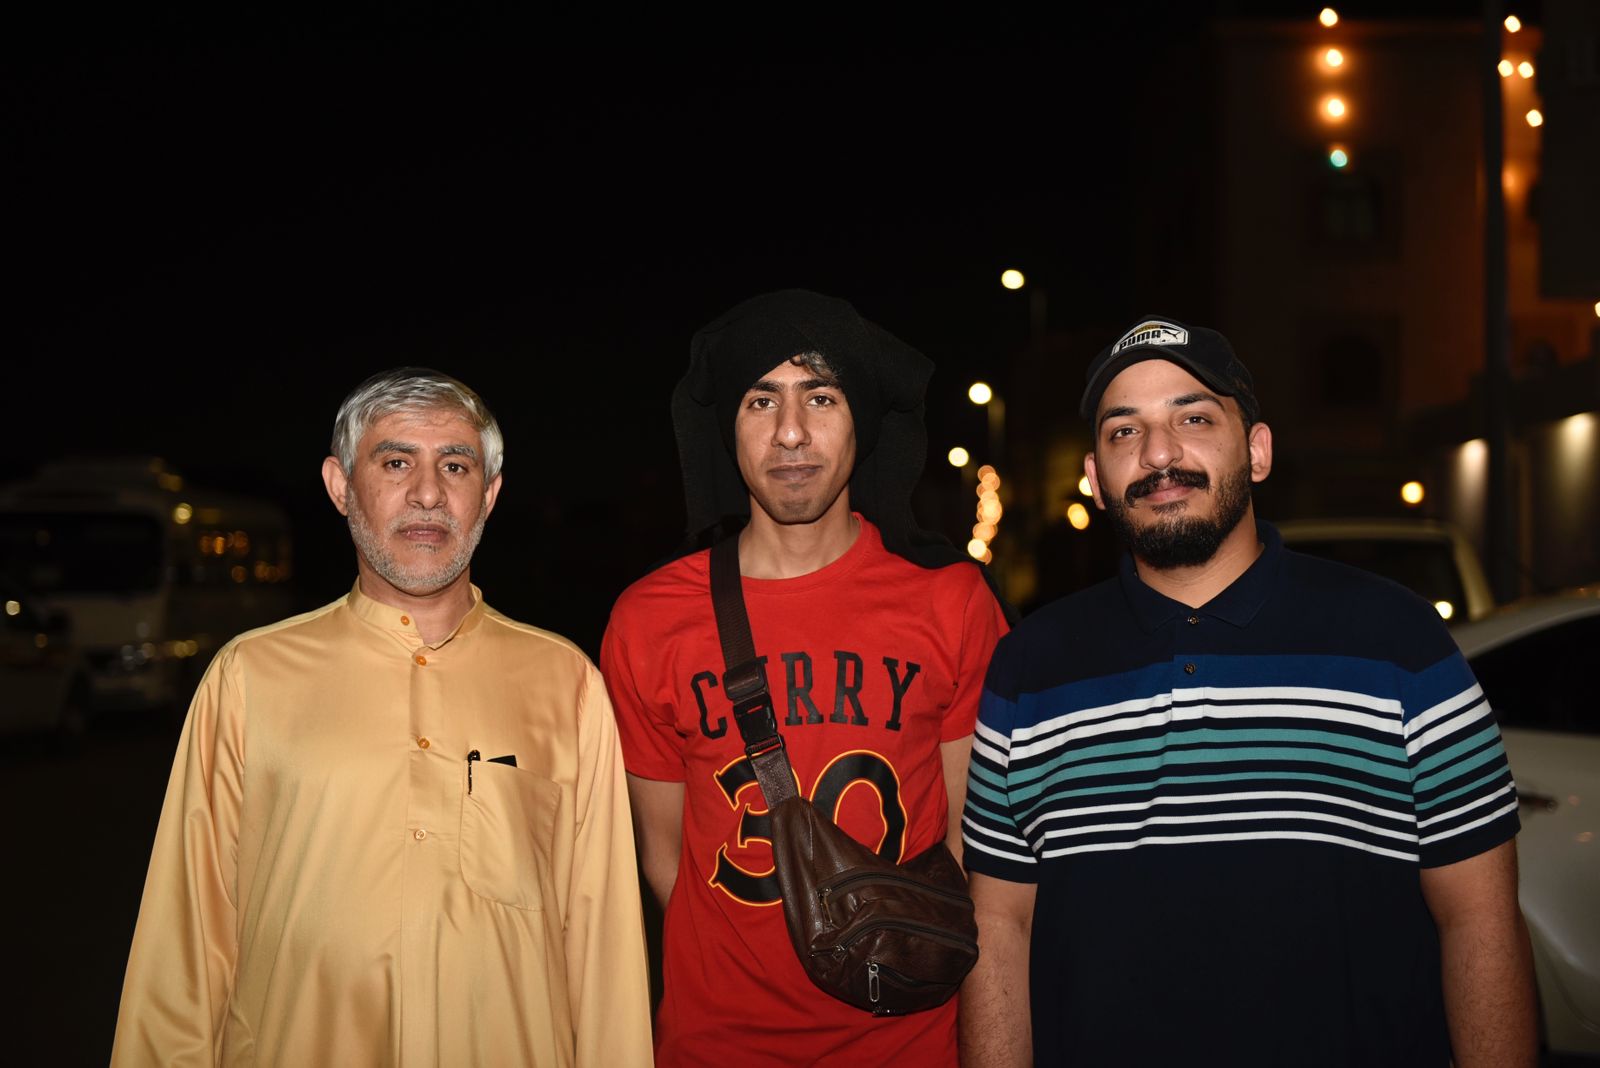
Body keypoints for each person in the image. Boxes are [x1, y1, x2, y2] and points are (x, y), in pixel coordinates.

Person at [960, 317, 1537, 1067]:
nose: (1159, 453)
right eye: (1124, 431)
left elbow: (1480, 919)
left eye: (1194, 418)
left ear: (1257, 452)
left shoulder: (1398, 639)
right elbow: (999, 928)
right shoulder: (1030, 666)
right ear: (1096, 480)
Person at [112, 368, 652, 1067]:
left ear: (488, 494)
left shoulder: (565, 683)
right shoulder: (249, 676)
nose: (427, 493)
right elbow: (184, 943)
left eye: (455, 466)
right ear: (340, 486)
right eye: (396, 463)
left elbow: (605, 951)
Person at [601, 290, 1011, 1066]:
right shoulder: (648, 618)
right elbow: (666, 862)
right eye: (761, 401)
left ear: (862, 421)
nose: (790, 432)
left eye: (821, 397)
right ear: (729, 427)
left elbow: (970, 844)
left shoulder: (951, 601)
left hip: (906, 1043)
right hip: (716, 1048)